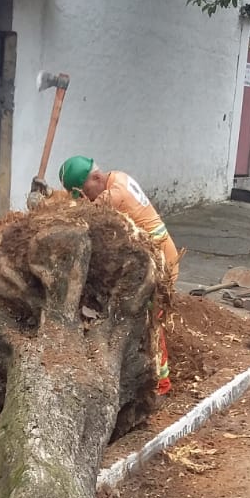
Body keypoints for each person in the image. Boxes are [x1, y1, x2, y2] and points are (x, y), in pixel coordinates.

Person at [58, 156, 179, 394]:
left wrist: (52, 205)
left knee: (150, 321)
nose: (86, 197)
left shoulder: (114, 195)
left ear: (95, 179)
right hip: (151, 256)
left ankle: (161, 383)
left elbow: (85, 214)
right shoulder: (118, 177)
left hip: (160, 261)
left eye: (84, 192)